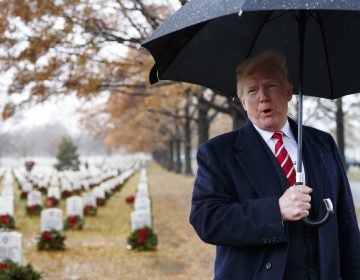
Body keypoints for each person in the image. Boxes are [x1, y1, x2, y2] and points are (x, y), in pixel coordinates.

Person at [189, 51, 360, 280]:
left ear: (289, 91)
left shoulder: (323, 143)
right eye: (252, 90)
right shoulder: (218, 153)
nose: (263, 97)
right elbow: (206, 219)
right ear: (241, 100)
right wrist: (275, 211)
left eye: (271, 86)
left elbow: (346, 222)